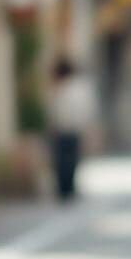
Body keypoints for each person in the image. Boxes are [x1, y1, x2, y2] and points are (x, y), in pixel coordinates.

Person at [46, 55, 99, 201]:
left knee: (63, 161)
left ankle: (64, 189)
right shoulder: (79, 88)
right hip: (74, 130)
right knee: (71, 161)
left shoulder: (62, 88)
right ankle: (68, 189)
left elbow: (55, 111)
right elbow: (86, 110)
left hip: (63, 130)